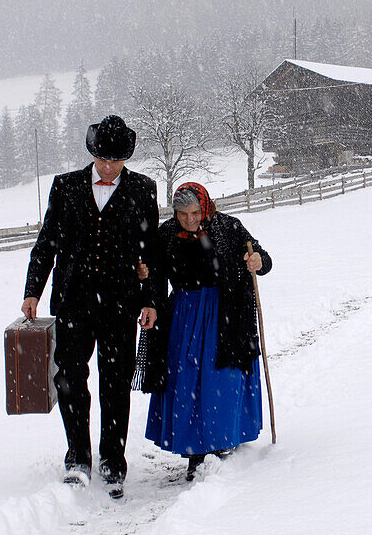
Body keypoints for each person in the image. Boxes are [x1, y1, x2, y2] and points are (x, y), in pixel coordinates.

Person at [21, 114, 159, 499]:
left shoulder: (143, 189)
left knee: (115, 383)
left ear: (126, 158)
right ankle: (78, 456)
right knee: (69, 379)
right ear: (92, 152)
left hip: (119, 304)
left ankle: (113, 461)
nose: (108, 167)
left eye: (115, 160)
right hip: (73, 302)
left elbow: (152, 252)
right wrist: (33, 290)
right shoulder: (65, 187)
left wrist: (150, 299)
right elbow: (47, 242)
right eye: (102, 159)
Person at [138, 181, 271, 481]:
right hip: (184, 315)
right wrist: (150, 298)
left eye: (195, 212)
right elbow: (155, 276)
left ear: (205, 206)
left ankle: (221, 441)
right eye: (182, 213)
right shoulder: (167, 234)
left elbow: (263, 258)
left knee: (220, 378)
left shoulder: (228, 227)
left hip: (224, 313)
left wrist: (257, 260)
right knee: (185, 380)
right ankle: (194, 449)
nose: (189, 219)